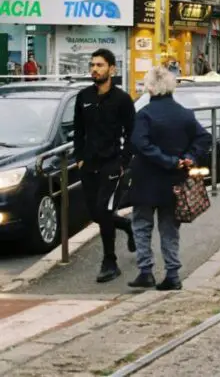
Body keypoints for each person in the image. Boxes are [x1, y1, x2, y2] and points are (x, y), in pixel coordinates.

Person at [127, 66, 211, 291]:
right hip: (175, 181)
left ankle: (146, 271)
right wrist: (187, 158)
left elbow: (139, 144)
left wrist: (167, 160)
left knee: (142, 224)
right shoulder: (185, 114)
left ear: (150, 88)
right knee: (169, 228)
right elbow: (204, 138)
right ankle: (172, 273)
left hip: (146, 179)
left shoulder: (144, 115)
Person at [73, 48, 136, 283]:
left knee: (104, 210)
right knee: (96, 214)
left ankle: (110, 262)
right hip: (88, 165)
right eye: (92, 65)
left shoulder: (122, 99)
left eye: (99, 65)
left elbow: (132, 133)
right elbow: (78, 131)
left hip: (112, 164)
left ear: (112, 69)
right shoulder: (84, 97)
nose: (94, 69)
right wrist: (79, 157)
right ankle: (127, 226)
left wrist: (123, 162)